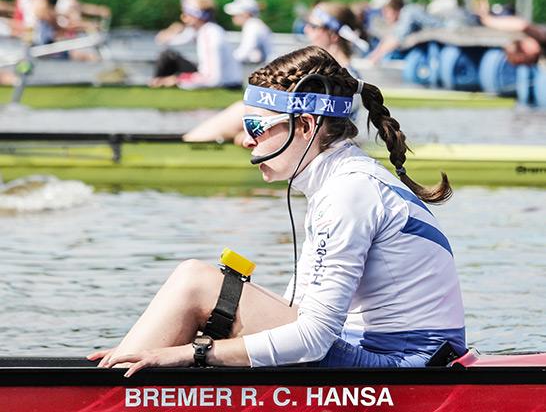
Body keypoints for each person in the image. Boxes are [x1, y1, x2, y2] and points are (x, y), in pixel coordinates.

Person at [88, 45, 465, 375]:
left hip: (402, 366)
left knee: (195, 282)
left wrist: (192, 352)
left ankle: (107, 392)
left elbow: (313, 338)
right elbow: (300, 313)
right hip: (378, 351)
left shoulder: (349, 191)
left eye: (256, 126)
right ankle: (120, 373)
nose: (245, 139)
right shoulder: (339, 181)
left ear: (305, 125)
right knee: (203, 297)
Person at [183, 1, 367, 143]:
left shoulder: (342, 75)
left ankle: (190, 145)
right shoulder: (325, 70)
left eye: (313, 26)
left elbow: (317, 127)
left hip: (312, 142)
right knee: (247, 109)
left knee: (242, 109)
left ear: (333, 35)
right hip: (297, 134)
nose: (306, 29)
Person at [150, 0, 242, 89]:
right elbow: (162, 41)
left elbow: (212, 79)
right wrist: (172, 30)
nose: (183, 17)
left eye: (186, 13)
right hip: (219, 79)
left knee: (168, 58)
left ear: (197, 15)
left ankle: (157, 85)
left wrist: (177, 80)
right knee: (168, 56)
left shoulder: (209, 33)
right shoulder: (200, 30)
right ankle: (156, 84)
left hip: (227, 84)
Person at [224, 0, 272, 64]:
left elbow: (245, 52)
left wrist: (226, 61)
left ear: (246, 14)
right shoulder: (255, 24)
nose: (232, 17)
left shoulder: (252, 26)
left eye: (235, 14)